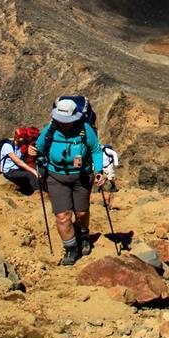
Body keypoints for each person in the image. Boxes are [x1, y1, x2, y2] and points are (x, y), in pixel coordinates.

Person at [33, 97, 107, 265]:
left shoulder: (85, 130)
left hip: (81, 176)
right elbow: (39, 148)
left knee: (81, 213)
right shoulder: (50, 129)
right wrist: (35, 155)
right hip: (56, 177)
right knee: (63, 216)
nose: (64, 123)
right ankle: (71, 249)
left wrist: (98, 171)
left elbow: (96, 150)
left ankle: (83, 234)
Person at [0, 126, 42, 195]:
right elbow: (19, 162)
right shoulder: (7, 146)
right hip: (9, 171)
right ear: (19, 139)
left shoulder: (20, 146)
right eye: (24, 139)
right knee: (30, 175)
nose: (25, 141)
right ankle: (37, 193)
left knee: (38, 172)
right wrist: (34, 171)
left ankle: (33, 189)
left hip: (17, 169)